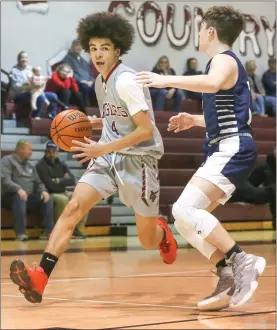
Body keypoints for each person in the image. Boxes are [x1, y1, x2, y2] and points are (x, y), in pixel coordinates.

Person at [9, 12, 177, 304]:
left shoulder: (126, 81)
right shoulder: (100, 82)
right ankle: (40, 277)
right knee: (73, 208)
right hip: (108, 158)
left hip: (139, 162)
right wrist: (92, 123)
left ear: (117, 50)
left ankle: (162, 232)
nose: (98, 54)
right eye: (93, 48)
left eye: (104, 48)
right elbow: (115, 119)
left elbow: (145, 129)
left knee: (147, 239)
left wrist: (101, 148)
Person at [136, 5, 266, 310]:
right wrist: (194, 120)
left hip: (232, 146)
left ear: (210, 31)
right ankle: (227, 273)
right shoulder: (226, 65)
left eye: (199, 28)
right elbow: (235, 114)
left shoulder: (221, 60)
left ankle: (242, 260)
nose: (198, 34)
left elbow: (210, 85)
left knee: (183, 208)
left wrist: (166, 80)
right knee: (184, 220)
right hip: (229, 143)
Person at [1, 140, 54, 241]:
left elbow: (38, 182)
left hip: (28, 196)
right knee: (19, 198)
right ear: (20, 150)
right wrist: (18, 189)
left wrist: (43, 191)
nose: (31, 152)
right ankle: (20, 233)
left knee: (47, 199)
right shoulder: (7, 160)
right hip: (9, 196)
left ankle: (48, 231)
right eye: (29, 149)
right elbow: (5, 180)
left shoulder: (30, 165)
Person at [36, 141, 88, 238]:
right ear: (45, 152)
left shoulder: (61, 163)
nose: (51, 154)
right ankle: (61, 229)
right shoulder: (40, 165)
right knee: (63, 200)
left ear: (57, 152)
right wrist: (63, 180)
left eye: (54, 151)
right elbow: (50, 185)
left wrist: (58, 180)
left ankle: (75, 228)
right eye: (49, 152)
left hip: (63, 191)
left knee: (82, 199)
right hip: (49, 193)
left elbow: (72, 179)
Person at [10, 51, 58, 119]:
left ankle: (52, 114)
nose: (24, 59)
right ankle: (35, 117)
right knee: (39, 96)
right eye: (22, 58)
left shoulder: (30, 69)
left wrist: (41, 82)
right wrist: (29, 86)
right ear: (18, 59)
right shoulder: (14, 71)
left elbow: (38, 78)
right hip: (20, 95)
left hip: (34, 91)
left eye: (26, 57)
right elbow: (15, 87)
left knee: (53, 96)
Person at [63, 39, 96, 107]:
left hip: (88, 82)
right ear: (72, 47)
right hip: (77, 83)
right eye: (77, 45)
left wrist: (91, 81)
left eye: (80, 46)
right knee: (84, 87)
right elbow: (69, 72)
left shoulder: (84, 61)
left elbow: (90, 73)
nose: (79, 47)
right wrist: (81, 81)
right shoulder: (67, 59)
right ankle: (86, 109)